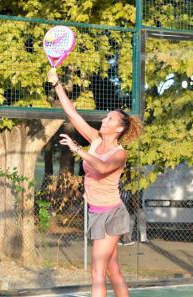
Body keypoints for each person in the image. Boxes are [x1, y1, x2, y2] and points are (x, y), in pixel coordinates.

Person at [47, 68, 143, 297]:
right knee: (112, 270)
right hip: (96, 212)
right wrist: (56, 83)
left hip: (112, 214)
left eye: (109, 118)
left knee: (97, 272)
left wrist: (77, 149)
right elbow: (73, 114)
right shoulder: (95, 139)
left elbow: (101, 167)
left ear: (118, 128)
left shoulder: (120, 154)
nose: (104, 119)